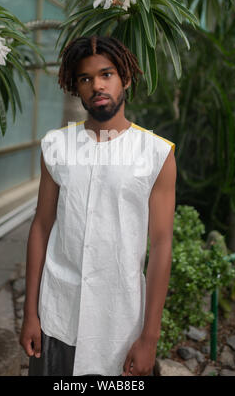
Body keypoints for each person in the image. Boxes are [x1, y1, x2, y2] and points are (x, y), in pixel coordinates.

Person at [20, 35, 177, 377]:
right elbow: (41, 226)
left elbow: (162, 244)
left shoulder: (156, 154)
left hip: (119, 321)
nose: (97, 85)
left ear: (126, 79)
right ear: (75, 87)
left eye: (106, 74)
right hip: (58, 314)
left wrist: (150, 337)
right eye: (85, 78)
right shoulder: (56, 146)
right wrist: (30, 313)